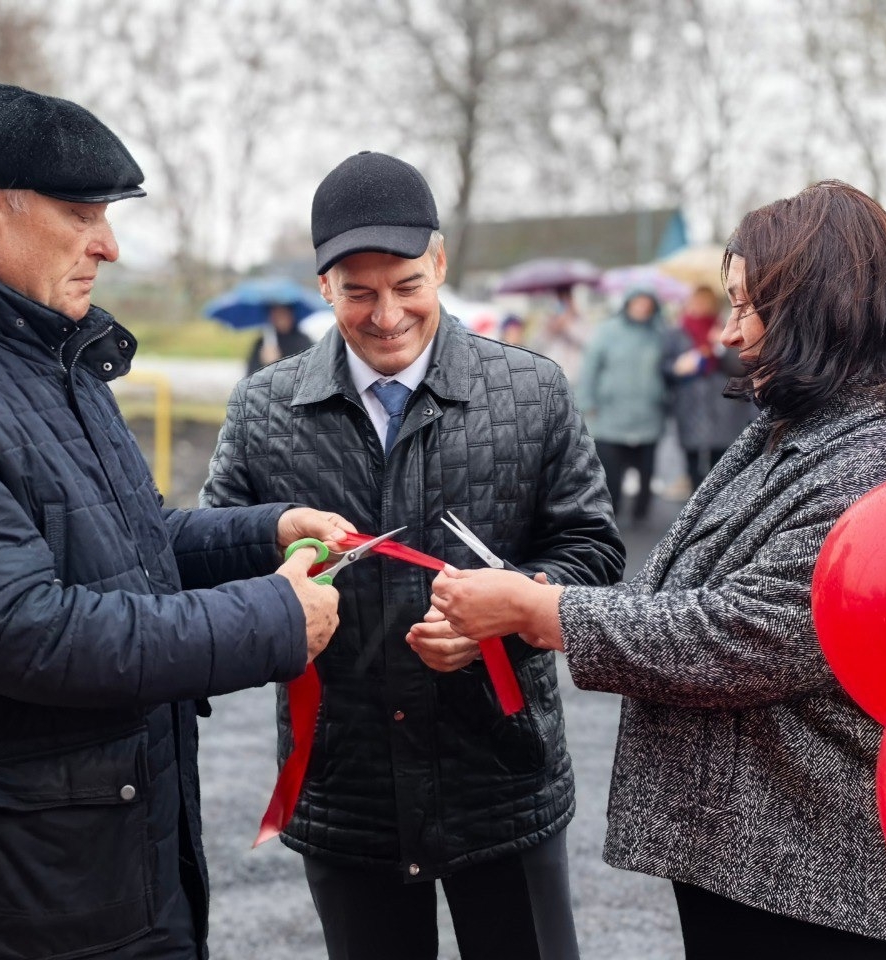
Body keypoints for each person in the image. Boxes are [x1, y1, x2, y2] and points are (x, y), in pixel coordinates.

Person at [0, 83, 347, 960]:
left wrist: (267, 532)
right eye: (80, 211)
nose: (109, 243)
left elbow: (126, 543)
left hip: (101, 859)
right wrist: (276, 619)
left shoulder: (38, 350)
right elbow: (27, 629)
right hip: (11, 902)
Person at [415, 181, 886, 959]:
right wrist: (537, 600)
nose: (731, 332)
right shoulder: (796, 425)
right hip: (759, 854)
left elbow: (746, 633)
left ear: (814, 306)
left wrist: (545, 615)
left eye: (747, 306)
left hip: (808, 870)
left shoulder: (872, 462)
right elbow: (685, 588)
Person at [201, 150, 625, 960]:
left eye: (406, 285)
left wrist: (514, 604)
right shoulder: (263, 407)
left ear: (439, 263)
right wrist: (277, 590)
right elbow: (221, 552)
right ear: (323, 285)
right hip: (345, 786)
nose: (386, 315)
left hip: (501, 781)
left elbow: (594, 550)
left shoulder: (531, 390)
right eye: (358, 292)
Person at [577, 288, 670, 525]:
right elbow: (590, 369)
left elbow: (668, 369)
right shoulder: (607, 332)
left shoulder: (660, 333)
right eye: (638, 303)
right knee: (611, 474)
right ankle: (611, 516)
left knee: (646, 472)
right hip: (611, 415)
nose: (642, 308)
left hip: (648, 414)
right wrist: (586, 402)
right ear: (627, 304)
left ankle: (642, 516)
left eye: (647, 304)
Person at [662, 285, 756, 493]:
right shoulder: (677, 333)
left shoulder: (727, 330)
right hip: (690, 403)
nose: (700, 306)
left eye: (705, 301)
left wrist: (720, 348)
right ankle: (696, 500)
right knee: (692, 457)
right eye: (697, 301)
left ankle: (715, 501)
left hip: (723, 405)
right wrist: (677, 367)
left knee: (722, 458)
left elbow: (742, 368)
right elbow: (664, 367)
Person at [527, 286, 589, 386]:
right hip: (551, 379)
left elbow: (589, 343)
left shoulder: (579, 321)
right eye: (559, 299)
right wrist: (549, 331)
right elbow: (534, 347)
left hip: (575, 380)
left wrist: (567, 327)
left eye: (565, 299)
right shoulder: (547, 322)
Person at [246, 302, 315, 376]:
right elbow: (250, 377)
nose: (279, 319)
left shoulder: (303, 342)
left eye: (283, 313)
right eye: (275, 315)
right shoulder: (263, 344)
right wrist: (263, 365)